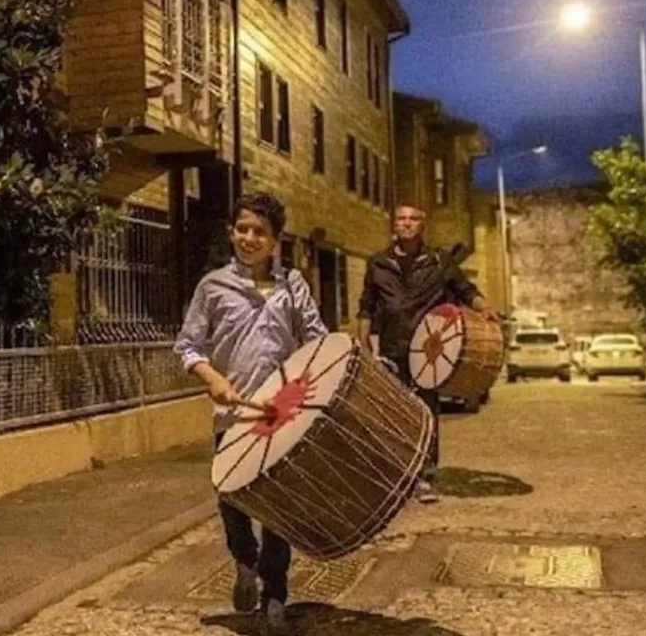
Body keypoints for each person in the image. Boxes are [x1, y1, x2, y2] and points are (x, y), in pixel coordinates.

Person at [173, 192, 327, 636]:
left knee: (278, 507)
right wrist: (211, 378)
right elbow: (188, 346)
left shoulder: (293, 286)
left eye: (259, 231)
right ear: (231, 233)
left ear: (275, 240)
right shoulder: (212, 287)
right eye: (242, 229)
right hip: (233, 415)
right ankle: (244, 560)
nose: (249, 238)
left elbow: (316, 338)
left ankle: (274, 596)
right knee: (232, 497)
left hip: (282, 413)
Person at [355, 204, 497, 503]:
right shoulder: (378, 263)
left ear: (422, 225)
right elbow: (367, 304)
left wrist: (484, 308)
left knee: (426, 412)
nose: (406, 223)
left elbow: (465, 289)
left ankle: (425, 476)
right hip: (393, 348)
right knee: (395, 413)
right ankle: (398, 473)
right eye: (401, 219)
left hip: (429, 350)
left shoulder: (439, 261)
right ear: (394, 224)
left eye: (413, 219)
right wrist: (363, 339)